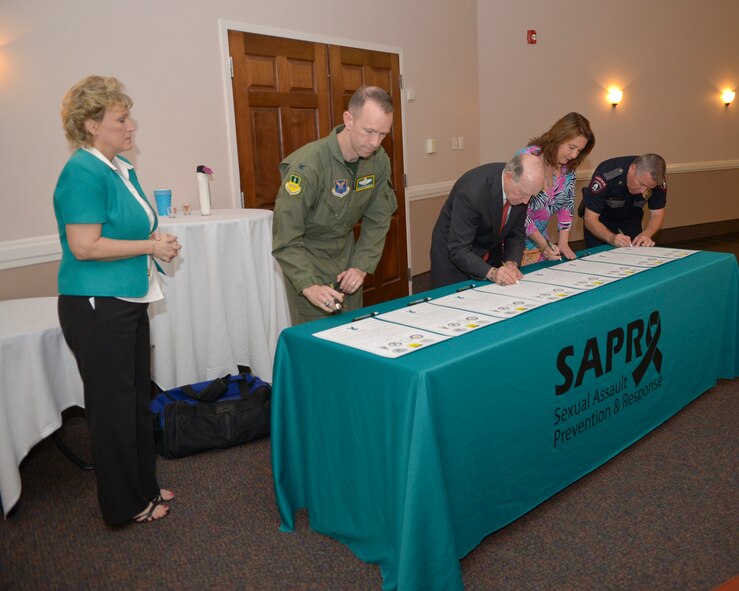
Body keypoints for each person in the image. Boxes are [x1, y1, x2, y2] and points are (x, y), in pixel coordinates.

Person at [54, 76, 181, 525]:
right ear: (91, 126)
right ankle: (124, 504)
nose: (131, 126)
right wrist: (149, 247)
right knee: (111, 410)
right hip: (96, 304)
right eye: (121, 119)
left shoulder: (119, 167)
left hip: (126, 297)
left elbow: (125, 229)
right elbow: (85, 245)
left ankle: (142, 484)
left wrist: (154, 239)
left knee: (133, 401)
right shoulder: (82, 172)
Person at [272, 86, 398, 324]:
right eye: (369, 131)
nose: (375, 142)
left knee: (352, 332)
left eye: (383, 134)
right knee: (317, 342)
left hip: (347, 259)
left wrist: (361, 266)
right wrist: (308, 285)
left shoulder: (378, 161)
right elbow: (286, 239)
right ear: (348, 120)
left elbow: (379, 218)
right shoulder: (308, 167)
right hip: (307, 260)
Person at [429, 152, 546, 288]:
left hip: (488, 251)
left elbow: (516, 233)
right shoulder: (472, 192)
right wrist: (491, 273)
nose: (526, 201)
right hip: (454, 257)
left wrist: (511, 263)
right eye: (524, 194)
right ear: (508, 177)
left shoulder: (522, 190)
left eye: (531, 196)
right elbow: (458, 248)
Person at [520, 112, 595, 261]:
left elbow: (566, 206)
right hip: (512, 244)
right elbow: (519, 213)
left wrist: (563, 242)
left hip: (541, 243)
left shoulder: (568, 168)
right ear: (558, 138)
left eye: (579, 150)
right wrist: (543, 245)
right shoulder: (528, 158)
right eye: (571, 147)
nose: (574, 155)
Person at [582, 154, 667, 248]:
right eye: (641, 184)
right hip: (601, 223)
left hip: (631, 220)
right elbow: (590, 219)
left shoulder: (656, 181)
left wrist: (647, 234)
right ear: (633, 169)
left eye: (649, 188)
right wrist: (611, 238)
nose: (644, 191)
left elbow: (657, 214)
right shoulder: (607, 173)